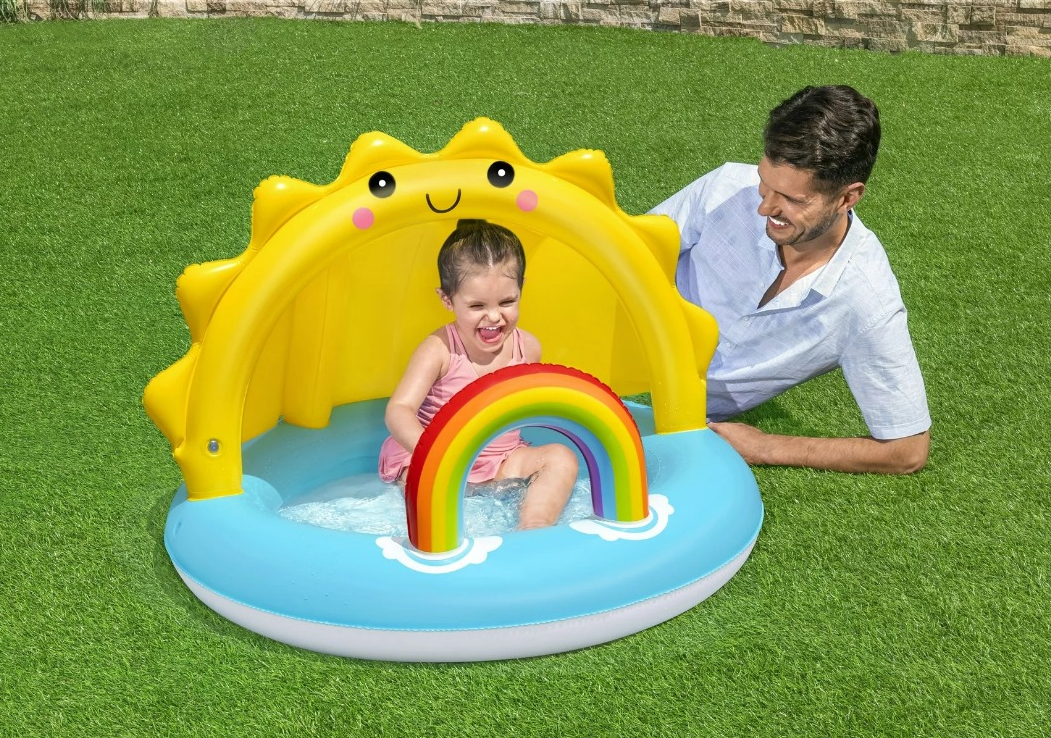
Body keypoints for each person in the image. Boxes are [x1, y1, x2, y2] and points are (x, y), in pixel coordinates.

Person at [650, 85, 931, 474]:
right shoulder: (727, 187)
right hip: (612, 352)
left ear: (847, 198)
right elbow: (629, 253)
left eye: (793, 200)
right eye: (765, 182)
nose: (764, 206)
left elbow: (908, 450)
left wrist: (766, 445)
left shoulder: (865, 300)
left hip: (680, 416)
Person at [378, 219, 579, 528]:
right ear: (447, 300)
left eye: (507, 301)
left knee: (562, 458)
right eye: (476, 306)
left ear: (521, 288)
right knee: (420, 482)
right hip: (438, 458)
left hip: (500, 459)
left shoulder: (528, 347)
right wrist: (434, 454)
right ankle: (436, 534)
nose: (494, 317)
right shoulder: (440, 349)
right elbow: (399, 409)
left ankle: (534, 527)